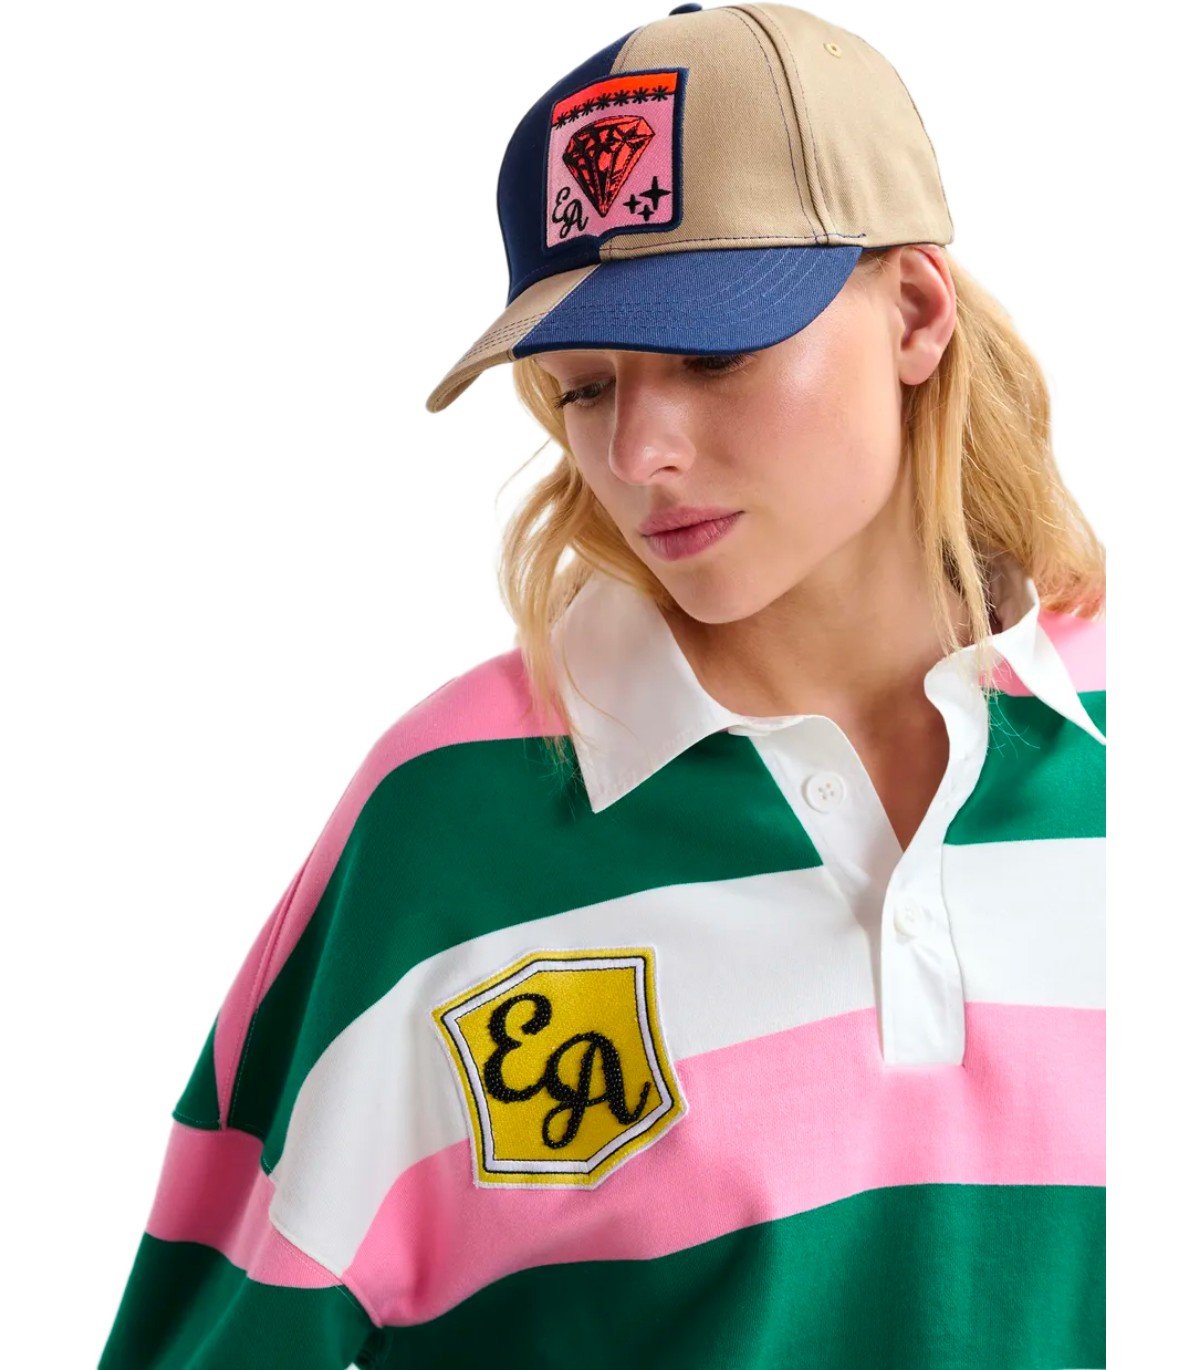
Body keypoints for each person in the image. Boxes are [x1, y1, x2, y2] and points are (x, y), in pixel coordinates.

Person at [99, 3, 1106, 1367]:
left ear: (917, 311)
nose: (637, 452)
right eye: (583, 386)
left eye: (713, 357)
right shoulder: (450, 819)